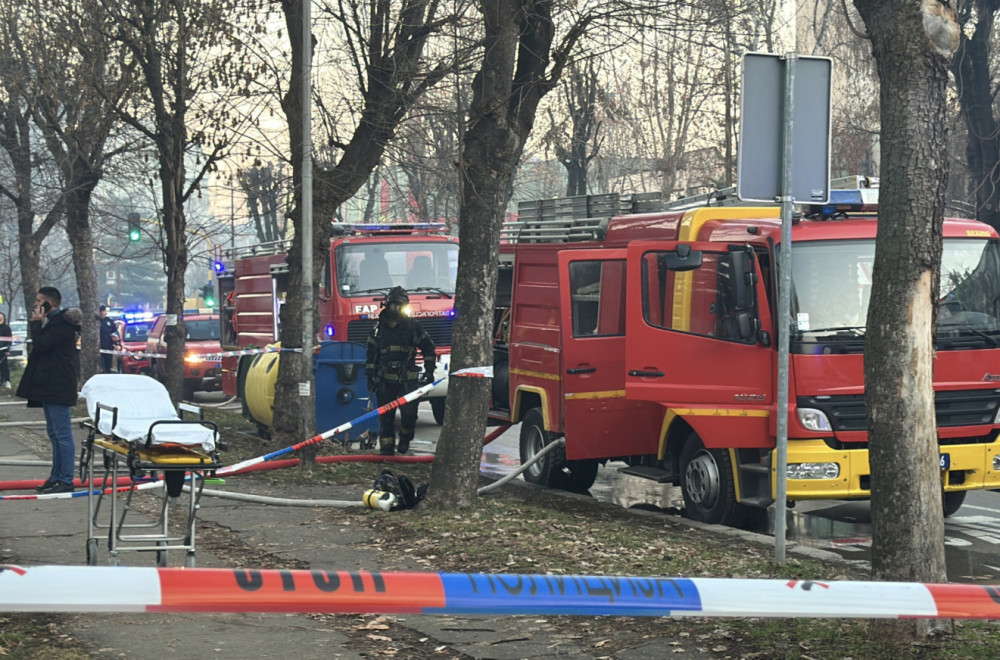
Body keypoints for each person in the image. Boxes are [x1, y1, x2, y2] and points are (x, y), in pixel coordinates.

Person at [17, 287, 82, 494]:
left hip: (58, 385)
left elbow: (41, 345)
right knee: (54, 433)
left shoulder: (62, 324)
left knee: (62, 434)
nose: (36, 305)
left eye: (39, 301)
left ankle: (66, 479)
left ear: (49, 303)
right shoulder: (53, 323)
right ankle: (56, 476)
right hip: (49, 385)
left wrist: (36, 323)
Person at [365, 286, 436, 456]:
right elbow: (371, 356)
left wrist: (429, 371)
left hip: (407, 379)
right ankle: (386, 450)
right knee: (386, 418)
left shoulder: (413, 327)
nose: (397, 309)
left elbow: (428, 348)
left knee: (409, 414)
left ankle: (405, 438)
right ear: (387, 305)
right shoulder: (378, 329)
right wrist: (370, 378)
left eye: (401, 305)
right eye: (394, 305)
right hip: (384, 380)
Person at [98, 305, 119, 373]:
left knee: (108, 366)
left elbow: (115, 333)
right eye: (102, 311)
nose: (103, 313)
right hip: (97, 348)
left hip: (108, 348)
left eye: (104, 311)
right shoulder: (95, 322)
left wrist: (116, 341)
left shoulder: (110, 322)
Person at [0, 311, 11, 389]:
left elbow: (9, 339)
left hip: (2, 350)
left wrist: (7, 349)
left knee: (4, 366)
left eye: (1, 318)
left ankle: (6, 381)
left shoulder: (6, 328)